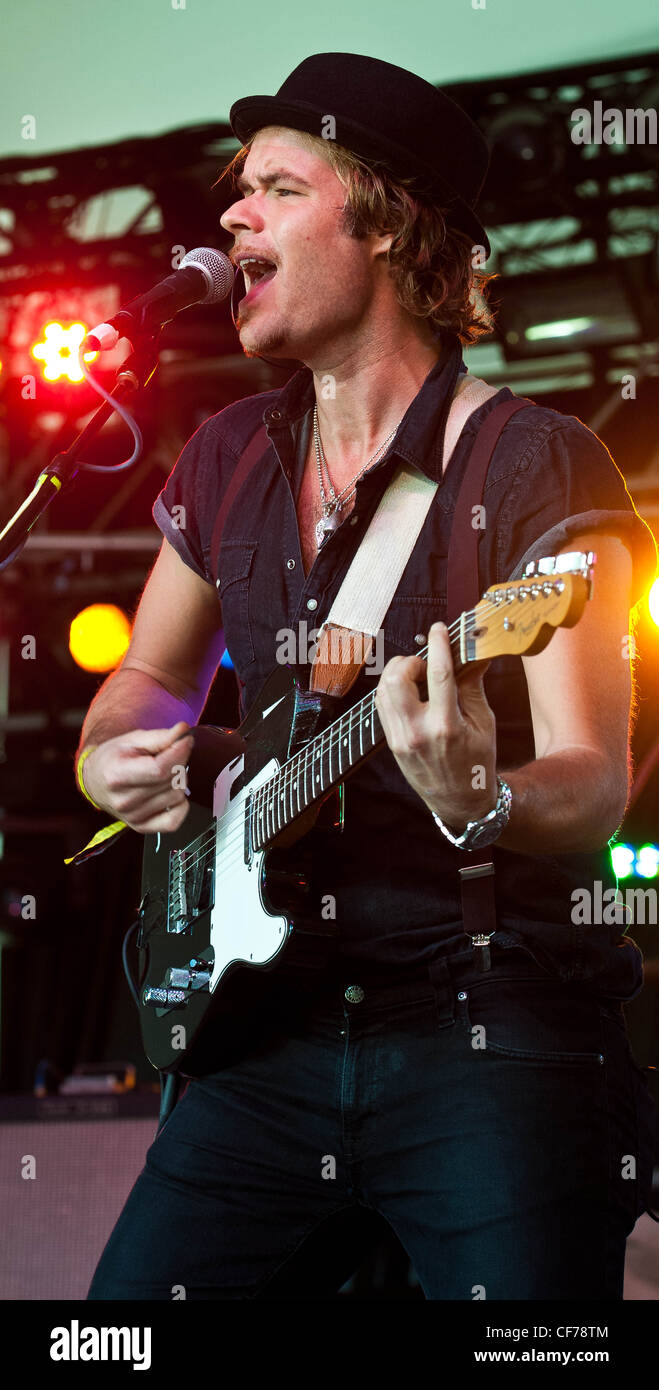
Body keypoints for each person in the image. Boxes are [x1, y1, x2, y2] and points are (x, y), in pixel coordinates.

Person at [80, 54, 657, 1300]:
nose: (231, 217)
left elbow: (592, 781)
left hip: (483, 1029)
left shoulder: (533, 463)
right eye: (236, 192)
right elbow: (140, 678)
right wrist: (112, 754)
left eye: (275, 188)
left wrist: (482, 798)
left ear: (388, 221)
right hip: (262, 1038)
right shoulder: (227, 451)